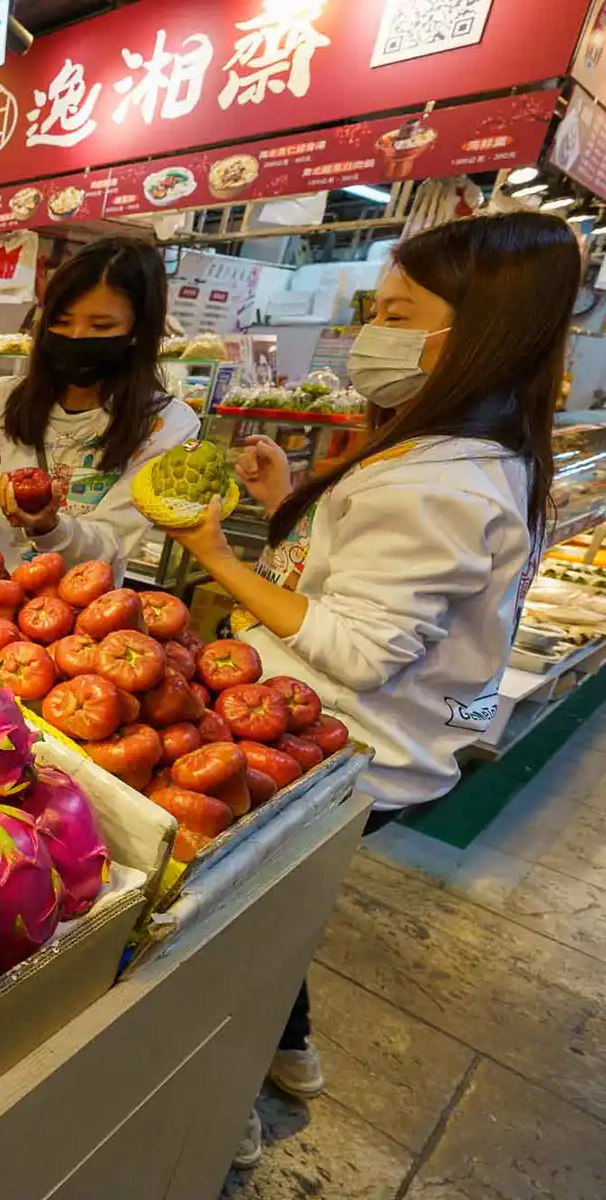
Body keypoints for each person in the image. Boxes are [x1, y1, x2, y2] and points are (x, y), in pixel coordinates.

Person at [169, 211, 580, 1169]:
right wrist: (287, 505)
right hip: (374, 740)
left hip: (344, 751)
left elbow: (355, 647)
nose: (371, 333)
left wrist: (216, 555)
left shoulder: (439, 482)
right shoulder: (471, 454)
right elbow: (377, 585)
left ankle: (213, 1097)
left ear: (474, 334)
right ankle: (292, 1051)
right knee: (280, 912)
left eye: (397, 312)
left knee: (233, 930)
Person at [0, 237, 200, 575]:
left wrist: (51, 528)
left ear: (138, 331)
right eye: (61, 321)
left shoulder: (166, 425)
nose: (76, 336)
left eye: (100, 325)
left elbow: (114, 542)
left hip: (83, 614)